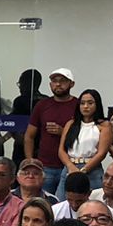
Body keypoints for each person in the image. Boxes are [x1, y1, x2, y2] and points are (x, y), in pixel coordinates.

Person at [24, 67, 80, 197]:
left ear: (71, 84)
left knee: (65, 203)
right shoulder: (42, 105)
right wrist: (30, 161)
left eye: (62, 81)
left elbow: (85, 135)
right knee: (42, 202)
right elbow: (29, 136)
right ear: (50, 84)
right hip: (45, 166)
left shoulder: (78, 105)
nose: (58, 84)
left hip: (70, 165)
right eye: (54, 81)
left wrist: (63, 132)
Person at [60, 88, 113, 192]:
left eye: (90, 103)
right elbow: (61, 150)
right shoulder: (71, 124)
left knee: (93, 200)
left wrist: (83, 170)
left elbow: (101, 153)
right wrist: (70, 167)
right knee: (63, 199)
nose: (85, 106)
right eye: (82, 103)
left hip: (92, 169)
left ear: (97, 104)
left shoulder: (104, 126)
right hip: (70, 167)